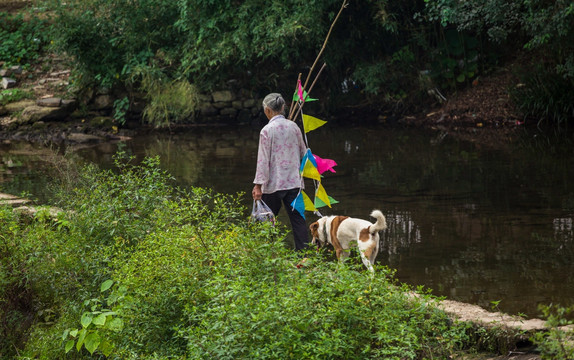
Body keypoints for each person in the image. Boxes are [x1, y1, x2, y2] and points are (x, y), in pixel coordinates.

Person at [252, 93, 309, 250]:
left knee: (267, 221)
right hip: (294, 183)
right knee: (298, 221)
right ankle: (304, 258)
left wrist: (258, 186)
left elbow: (262, 161)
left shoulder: (267, 130)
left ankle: (266, 255)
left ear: (267, 111)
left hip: (273, 185)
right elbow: (304, 154)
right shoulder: (294, 127)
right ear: (283, 108)